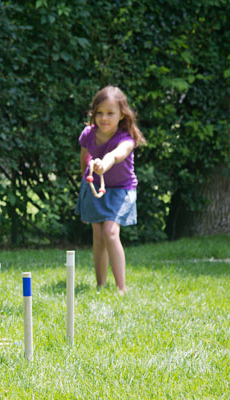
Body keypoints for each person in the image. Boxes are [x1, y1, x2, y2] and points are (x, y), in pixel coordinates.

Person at [75, 85, 146, 295]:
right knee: (98, 234)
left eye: (110, 113)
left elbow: (116, 155)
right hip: (95, 186)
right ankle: (100, 285)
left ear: (122, 114)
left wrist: (102, 165)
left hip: (121, 189)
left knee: (110, 231)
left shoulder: (127, 138)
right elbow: (84, 159)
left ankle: (121, 289)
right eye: (99, 113)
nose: (104, 118)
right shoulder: (88, 134)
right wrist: (88, 178)